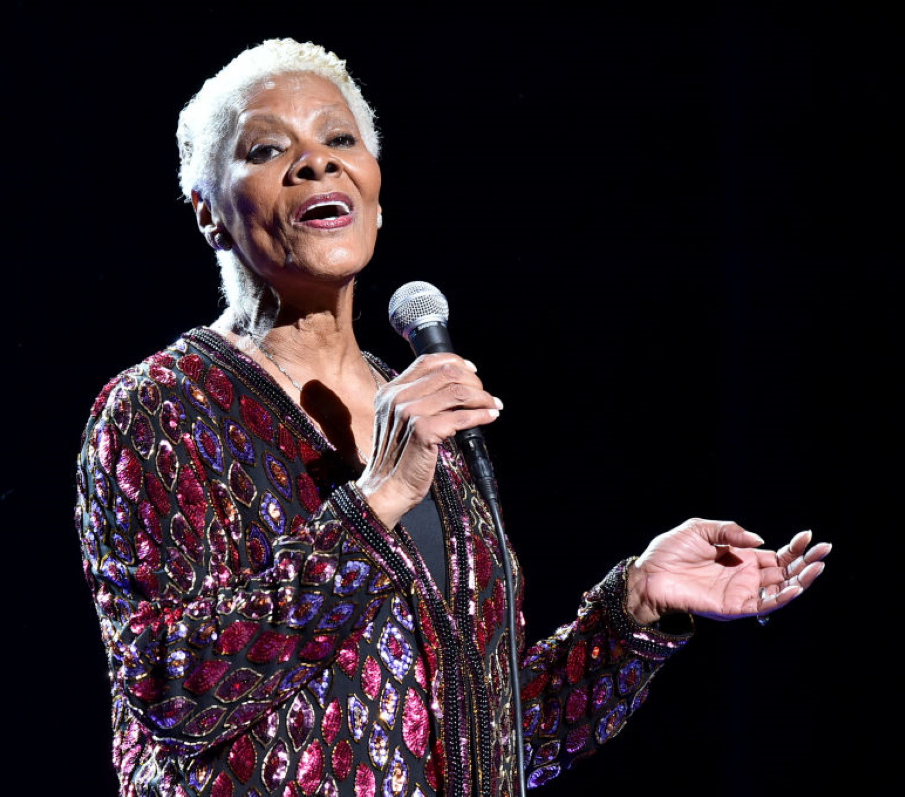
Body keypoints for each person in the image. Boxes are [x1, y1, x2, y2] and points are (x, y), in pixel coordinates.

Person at [74, 38, 831, 797]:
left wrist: (633, 611)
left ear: (374, 188)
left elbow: (488, 741)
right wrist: (375, 506)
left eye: (340, 139)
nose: (316, 162)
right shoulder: (161, 409)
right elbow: (170, 692)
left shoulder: (429, 416)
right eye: (268, 148)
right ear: (208, 211)